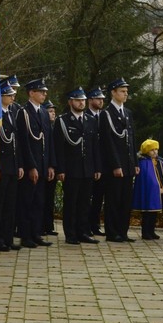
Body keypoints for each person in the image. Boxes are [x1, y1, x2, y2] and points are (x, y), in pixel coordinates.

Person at [52, 87, 101, 245]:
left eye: (83, 100)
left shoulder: (90, 120)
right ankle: (70, 234)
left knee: (85, 203)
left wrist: (97, 167)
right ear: (70, 102)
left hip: (87, 169)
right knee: (71, 203)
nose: (81, 103)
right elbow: (59, 147)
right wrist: (60, 169)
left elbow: (94, 146)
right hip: (71, 170)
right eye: (78, 100)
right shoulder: (63, 121)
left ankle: (83, 232)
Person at [16, 77, 55, 248]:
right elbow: (24, 142)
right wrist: (31, 166)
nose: (44, 94)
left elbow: (49, 140)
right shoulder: (23, 113)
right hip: (31, 165)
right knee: (27, 202)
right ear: (31, 93)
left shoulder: (44, 113)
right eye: (41, 92)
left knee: (40, 201)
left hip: (43, 164)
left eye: (45, 92)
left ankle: (36, 233)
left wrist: (51, 164)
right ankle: (26, 235)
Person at [99, 78, 137, 243]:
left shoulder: (127, 113)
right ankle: (112, 232)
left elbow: (132, 140)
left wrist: (134, 162)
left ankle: (123, 231)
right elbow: (108, 142)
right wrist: (115, 165)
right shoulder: (107, 114)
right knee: (113, 199)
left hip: (128, 165)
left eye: (126, 91)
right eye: (122, 91)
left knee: (125, 200)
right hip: (115, 166)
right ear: (113, 93)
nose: (125, 93)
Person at [0, 82, 23, 252]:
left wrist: (20, 165)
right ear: (0, 96)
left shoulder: (12, 113)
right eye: (9, 95)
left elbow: (17, 142)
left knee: (10, 205)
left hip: (12, 166)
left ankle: (8, 238)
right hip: (0, 166)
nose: (12, 97)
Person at [132, 139, 163, 240]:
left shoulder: (159, 162)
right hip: (149, 192)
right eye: (152, 150)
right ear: (146, 151)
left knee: (154, 213)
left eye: (156, 149)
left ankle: (151, 231)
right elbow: (147, 180)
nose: (155, 152)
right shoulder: (143, 163)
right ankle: (145, 232)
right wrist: (156, 188)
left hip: (158, 191)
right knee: (147, 213)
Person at [85, 87, 106, 236]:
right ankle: (85, 225)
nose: (101, 101)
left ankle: (95, 224)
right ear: (90, 100)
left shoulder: (104, 116)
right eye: (98, 98)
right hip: (88, 163)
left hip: (103, 163)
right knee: (87, 197)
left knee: (99, 197)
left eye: (102, 99)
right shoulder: (85, 116)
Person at [42, 99, 59, 236]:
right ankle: (41, 225)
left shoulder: (55, 127)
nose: (52, 114)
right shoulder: (43, 127)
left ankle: (49, 225)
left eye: (54, 112)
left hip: (52, 168)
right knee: (42, 198)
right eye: (50, 111)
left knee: (49, 199)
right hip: (43, 167)